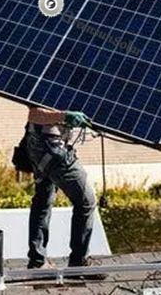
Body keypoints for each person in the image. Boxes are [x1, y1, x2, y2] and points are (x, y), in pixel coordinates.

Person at [25, 106, 97, 270]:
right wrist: (65, 116)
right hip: (52, 149)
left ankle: (37, 260)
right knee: (86, 201)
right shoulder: (43, 84)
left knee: (43, 200)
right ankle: (79, 261)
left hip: (40, 147)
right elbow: (34, 114)